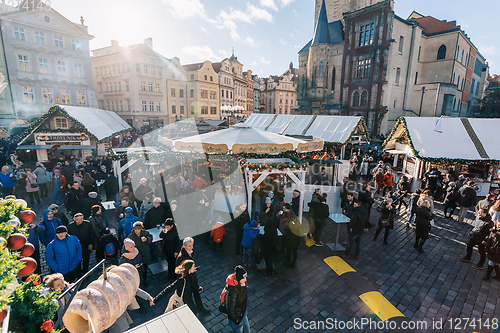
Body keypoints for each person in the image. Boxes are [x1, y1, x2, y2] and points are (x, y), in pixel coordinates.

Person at [175, 237, 211, 315]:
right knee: (189, 298)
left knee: (197, 293)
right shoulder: (180, 258)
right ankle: (193, 312)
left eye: (192, 245)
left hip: (192, 276)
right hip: (187, 280)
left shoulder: (190, 251)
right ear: (184, 246)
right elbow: (179, 271)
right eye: (189, 246)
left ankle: (201, 309)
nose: (191, 247)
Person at [225, 265, 250, 333]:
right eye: (243, 278)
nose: (245, 280)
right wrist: (236, 320)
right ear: (238, 279)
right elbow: (231, 310)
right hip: (237, 318)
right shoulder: (233, 292)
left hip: (242, 313)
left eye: (245, 277)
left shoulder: (241, 284)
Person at [127, 221, 153, 286]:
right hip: (137, 255)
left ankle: (144, 280)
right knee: (138, 269)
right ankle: (138, 281)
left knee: (145, 267)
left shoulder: (145, 233)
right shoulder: (131, 236)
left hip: (145, 254)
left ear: (141, 229)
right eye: (135, 229)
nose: (137, 231)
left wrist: (147, 239)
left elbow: (151, 239)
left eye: (138, 229)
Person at [280, 203, 301, 268]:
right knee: (294, 252)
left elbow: (285, 228)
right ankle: (293, 264)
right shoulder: (296, 221)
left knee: (289, 251)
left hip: (289, 239)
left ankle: (288, 262)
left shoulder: (288, 224)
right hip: (296, 239)